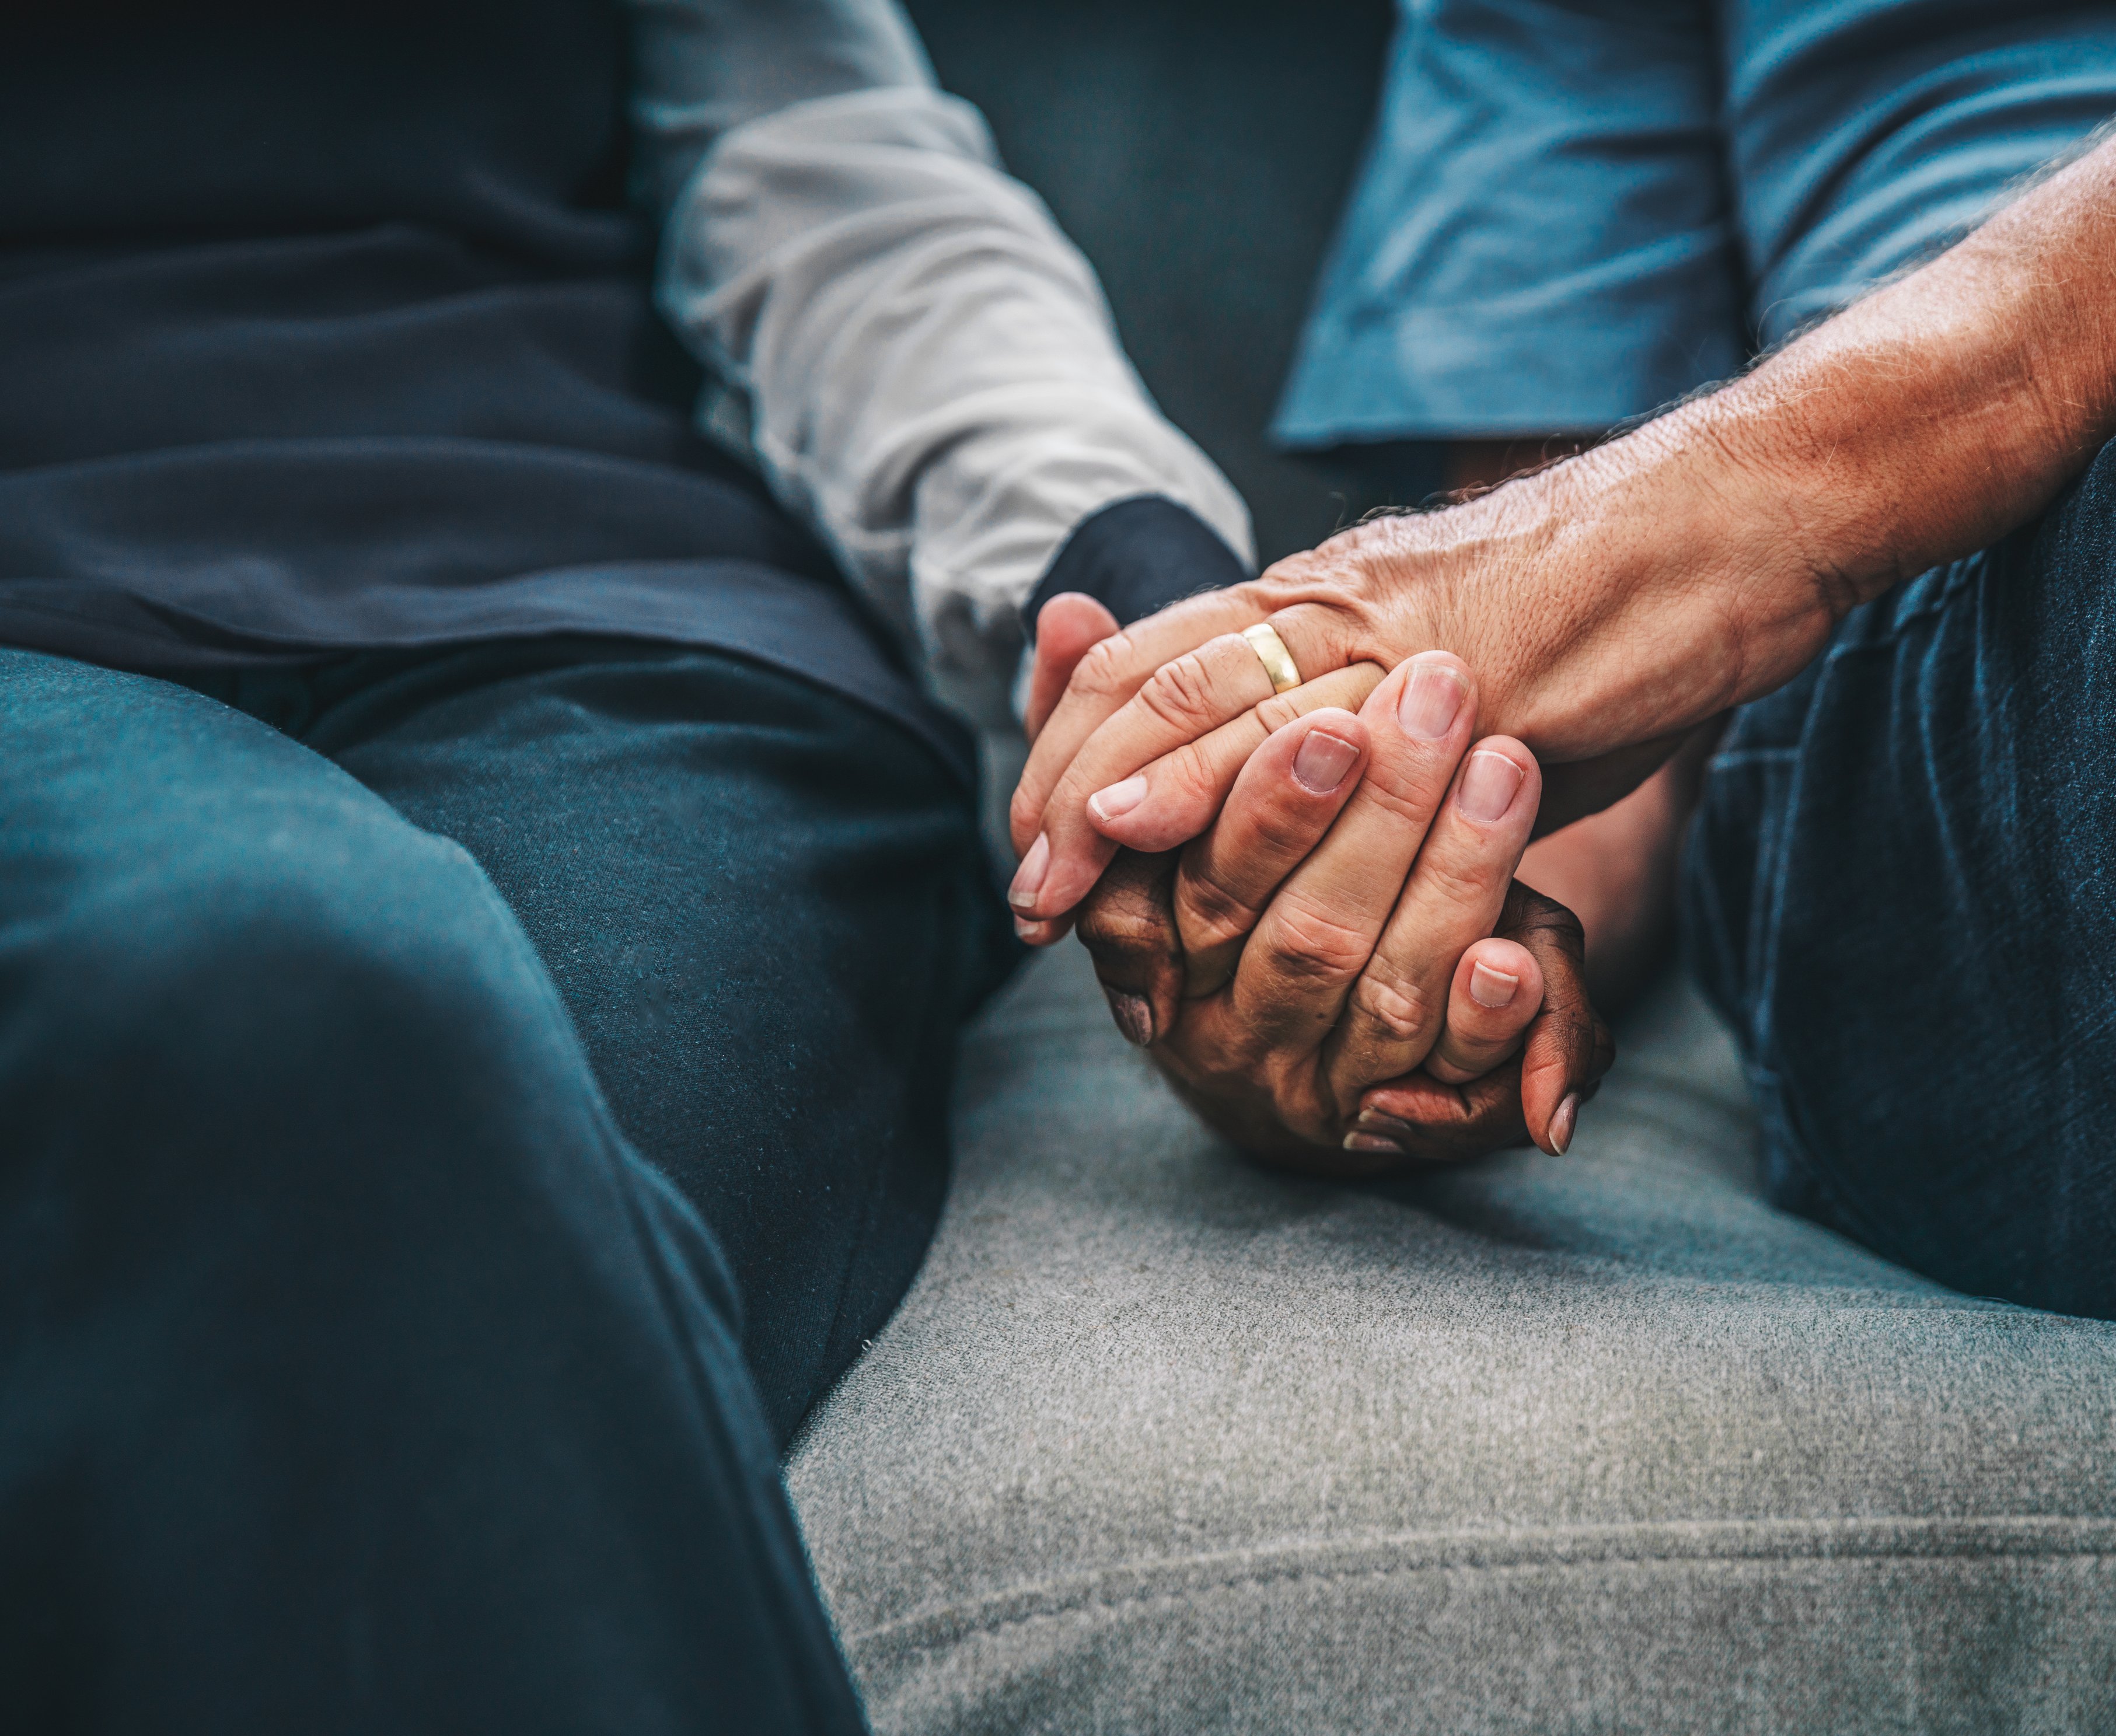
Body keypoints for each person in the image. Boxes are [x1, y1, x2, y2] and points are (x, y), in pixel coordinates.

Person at [0, 1, 1422, 1728]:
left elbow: (828, 194)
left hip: (632, 643)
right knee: (273, 994)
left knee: (445, 1251)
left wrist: (1165, 610)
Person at [1011, 0, 2116, 1404]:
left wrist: (1784, 485)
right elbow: (1543, 703)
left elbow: (1613, 565)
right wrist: (1361, 916)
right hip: (1991, 685)